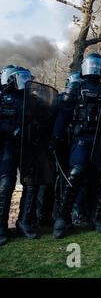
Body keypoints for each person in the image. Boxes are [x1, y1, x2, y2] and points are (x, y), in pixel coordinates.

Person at [50, 52, 101, 238]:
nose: (94, 68)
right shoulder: (76, 89)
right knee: (76, 174)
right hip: (82, 139)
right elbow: (64, 115)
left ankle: (98, 217)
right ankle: (62, 218)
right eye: (91, 65)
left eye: (96, 65)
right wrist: (56, 137)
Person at [0, 67, 44, 245]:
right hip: (7, 147)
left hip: (28, 147)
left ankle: (24, 222)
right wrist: (12, 131)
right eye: (21, 78)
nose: (25, 81)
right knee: (6, 185)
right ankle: (1, 226)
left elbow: (43, 119)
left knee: (31, 184)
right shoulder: (3, 99)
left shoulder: (33, 100)